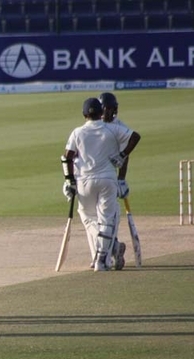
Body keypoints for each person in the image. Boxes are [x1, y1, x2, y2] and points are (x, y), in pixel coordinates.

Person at [63, 98, 141, 271]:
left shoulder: (77, 132)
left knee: (88, 217)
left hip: (84, 181)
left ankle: (110, 249)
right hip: (108, 179)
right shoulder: (112, 129)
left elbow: (66, 157)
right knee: (106, 220)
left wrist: (69, 181)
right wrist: (122, 155)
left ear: (84, 114)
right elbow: (135, 136)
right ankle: (102, 259)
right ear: (101, 113)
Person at [99, 91, 132, 269]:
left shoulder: (119, 127)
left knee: (108, 218)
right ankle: (115, 248)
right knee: (98, 219)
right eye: (105, 108)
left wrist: (121, 179)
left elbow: (125, 156)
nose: (108, 112)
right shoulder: (93, 125)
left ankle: (106, 254)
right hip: (94, 176)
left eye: (111, 109)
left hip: (110, 179)